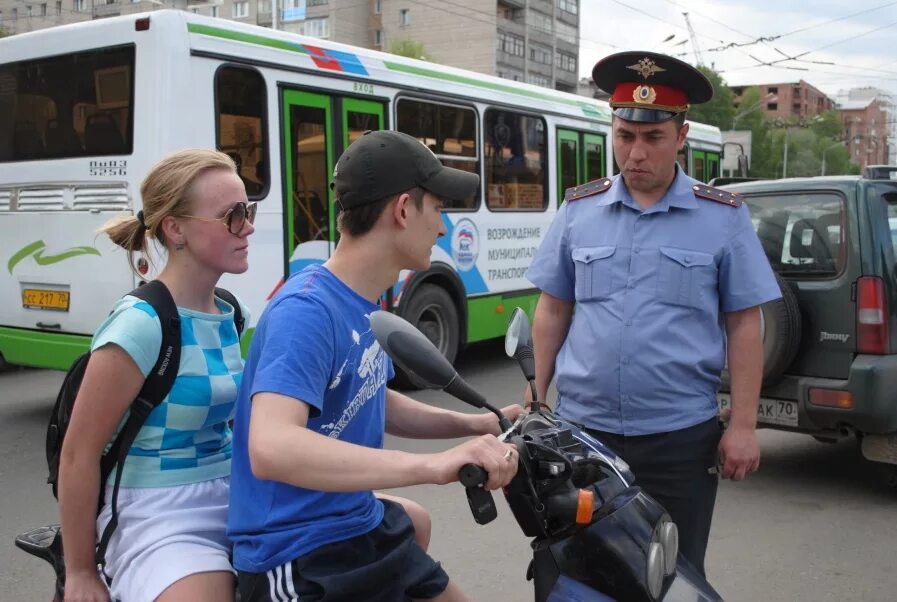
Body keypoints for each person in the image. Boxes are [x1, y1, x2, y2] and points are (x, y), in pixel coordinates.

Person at [227, 130, 521, 602]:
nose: (443, 227)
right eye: (437, 208)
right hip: (301, 554)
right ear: (404, 209)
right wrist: (433, 466)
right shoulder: (307, 311)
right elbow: (272, 446)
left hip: (358, 524)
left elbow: (371, 396)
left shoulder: (364, 302)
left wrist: (480, 423)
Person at [526, 51, 781, 575]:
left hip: (678, 442)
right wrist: (534, 401)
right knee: (579, 573)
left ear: (681, 136)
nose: (635, 152)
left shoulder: (723, 218)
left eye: (653, 138)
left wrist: (745, 425)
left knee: (674, 576)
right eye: (625, 136)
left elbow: (744, 324)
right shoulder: (579, 211)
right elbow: (552, 309)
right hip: (583, 436)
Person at [58, 149, 256, 602]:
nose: (248, 226)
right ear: (175, 229)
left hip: (237, 495)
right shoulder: (140, 324)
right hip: (156, 512)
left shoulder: (234, 314)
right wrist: (81, 573)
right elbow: (78, 455)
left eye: (249, 210)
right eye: (232, 215)